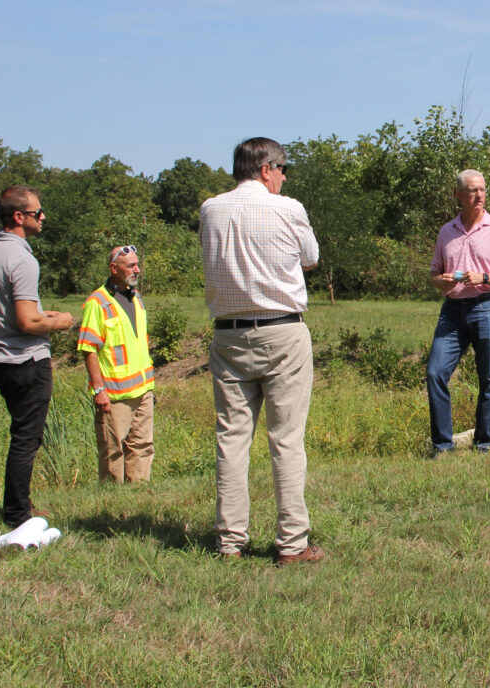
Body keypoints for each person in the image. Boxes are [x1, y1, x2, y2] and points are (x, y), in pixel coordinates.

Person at [199, 137, 323, 565]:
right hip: (281, 332)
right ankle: (292, 544)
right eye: (284, 168)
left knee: (231, 440)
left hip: (227, 335)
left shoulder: (210, 209)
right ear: (267, 168)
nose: (285, 177)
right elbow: (311, 258)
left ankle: (230, 542)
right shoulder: (288, 208)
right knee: (286, 439)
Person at [0, 185, 74, 528]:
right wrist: (59, 321)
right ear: (19, 217)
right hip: (24, 359)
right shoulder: (21, 258)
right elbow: (28, 320)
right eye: (37, 213)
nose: (43, 217)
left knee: (23, 435)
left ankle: (21, 505)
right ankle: (17, 515)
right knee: (27, 439)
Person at [426, 170, 490, 455]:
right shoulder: (447, 231)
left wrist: (485, 278)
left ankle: (483, 444)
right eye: (472, 191)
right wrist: (439, 280)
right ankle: (443, 446)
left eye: (482, 190)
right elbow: (433, 273)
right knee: (435, 373)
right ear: (459, 196)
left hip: (488, 306)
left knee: (489, 378)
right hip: (452, 311)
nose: (479, 195)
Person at [77, 245, 155, 483]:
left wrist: (150, 387)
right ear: (114, 269)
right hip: (114, 394)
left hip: (143, 389)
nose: (137, 270)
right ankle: (113, 500)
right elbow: (88, 348)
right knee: (113, 450)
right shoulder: (97, 302)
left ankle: (139, 494)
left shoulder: (136, 296)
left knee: (142, 446)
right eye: (131, 266)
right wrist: (99, 389)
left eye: (137, 264)